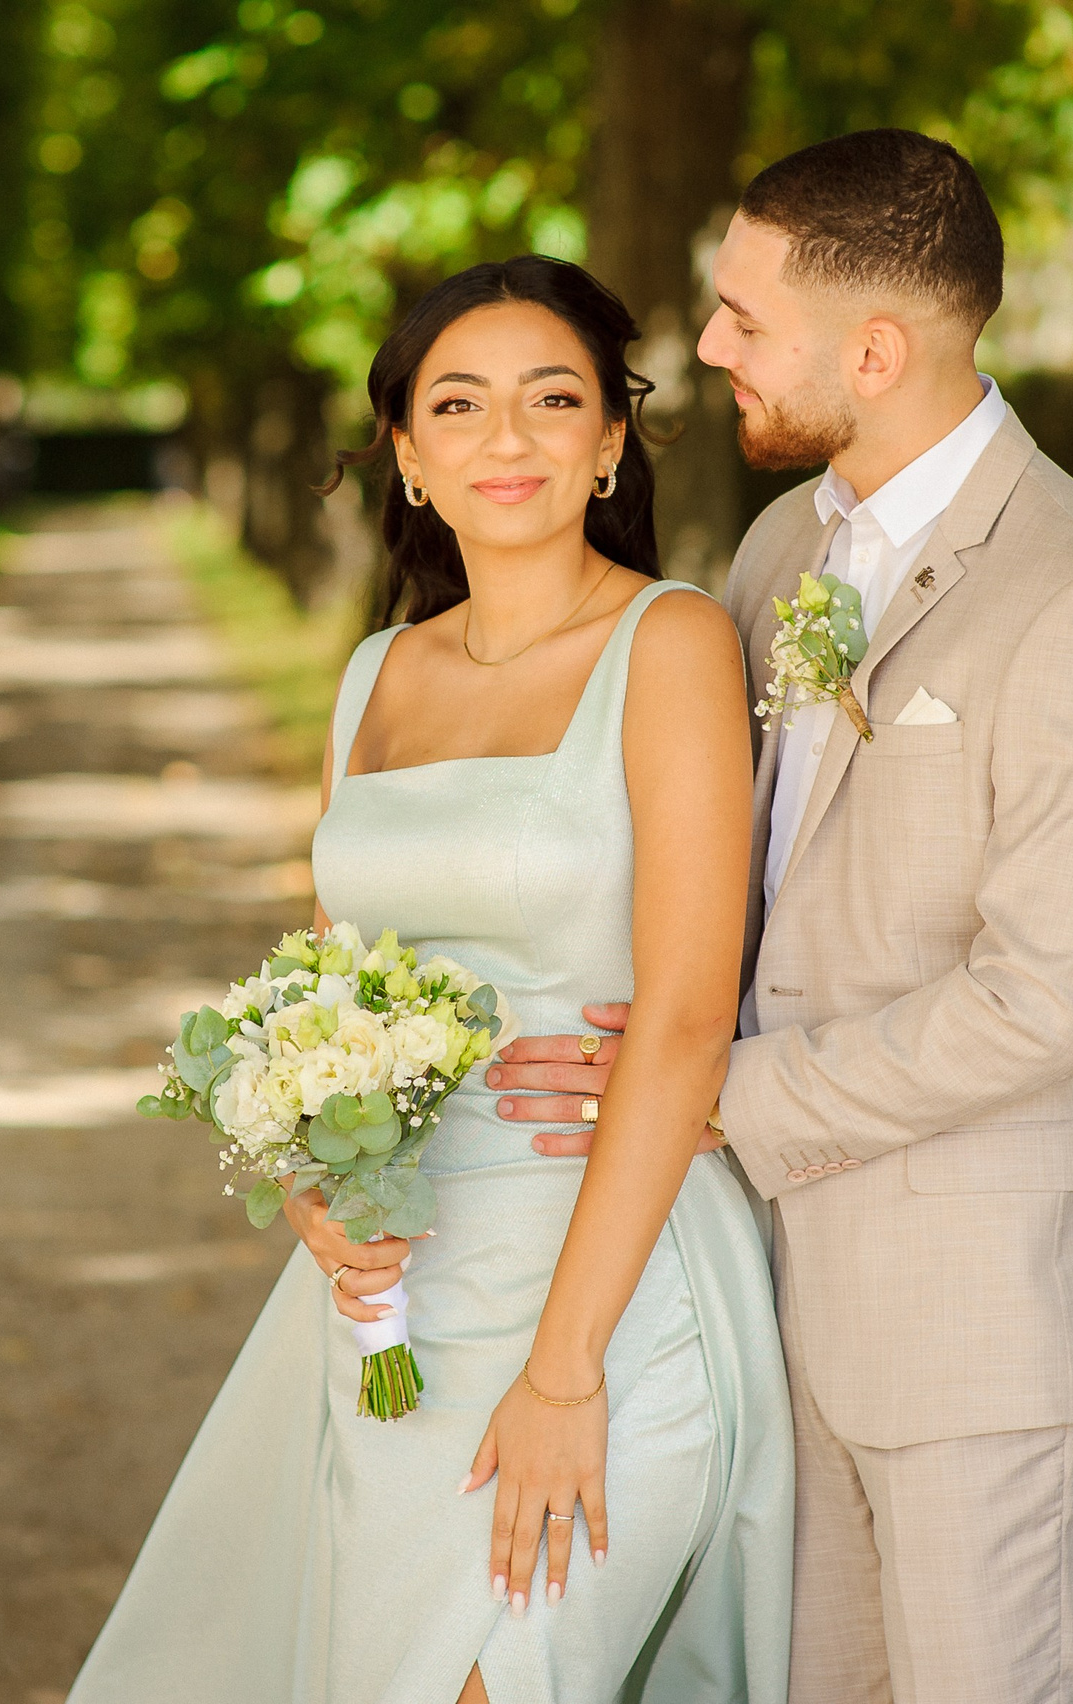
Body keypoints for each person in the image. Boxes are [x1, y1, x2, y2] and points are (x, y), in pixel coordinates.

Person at [489, 130, 1073, 1703]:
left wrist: (711, 1093)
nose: (707, 347)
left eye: (744, 318)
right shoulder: (780, 546)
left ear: (874, 352)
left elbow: (1043, 1003)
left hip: (982, 1308)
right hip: (767, 1284)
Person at [66, 255, 794, 1704]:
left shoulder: (671, 644)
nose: (504, 438)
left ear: (609, 442)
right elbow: (326, 998)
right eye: (457, 405)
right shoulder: (376, 678)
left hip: (609, 1277)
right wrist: (310, 1189)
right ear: (406, 453)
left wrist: (566, 1371)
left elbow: (685, 1018)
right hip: (397, 1300)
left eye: (552, 400)